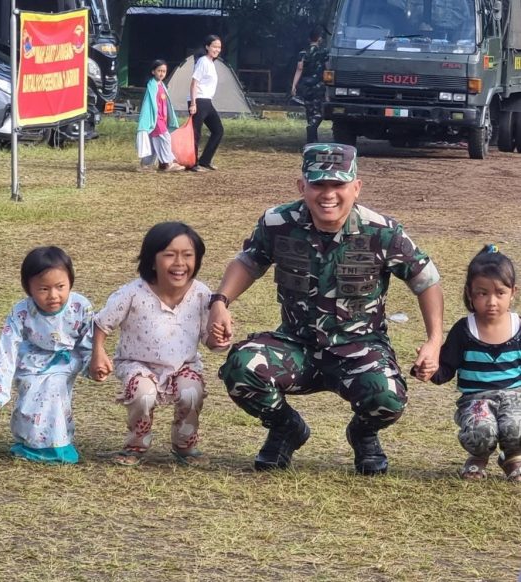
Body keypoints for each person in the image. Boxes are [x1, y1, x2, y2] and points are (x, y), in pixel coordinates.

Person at [208, 143, 444, 475]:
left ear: (356, 187)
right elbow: (249, 261)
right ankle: (285, 429)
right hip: (296, 347)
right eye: (319, 184)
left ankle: (363, 435)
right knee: (241, 367)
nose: (328, 194)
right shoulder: (279, 222)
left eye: (338, 185)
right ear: (302, 186)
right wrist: (220, 302)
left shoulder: (382, 231)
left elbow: (426, 280)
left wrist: (434, 341)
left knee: (388, 397)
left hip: (359, 349)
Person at [90, 222, 216, 466]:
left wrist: (218, 338)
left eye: (188, 255)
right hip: (137, 363)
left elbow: (208, 339)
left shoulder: (201, 294)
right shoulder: (132, 293)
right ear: (151, 260)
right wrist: (98, 352)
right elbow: (102, 323)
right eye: (169, 255)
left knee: (192, 393)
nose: (179, 263)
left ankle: (185, 445)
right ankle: (136, 444)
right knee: (143, 395)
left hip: (183, 365)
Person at [426, 246, 521, 482]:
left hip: (515, 397)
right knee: (482, 429)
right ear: (470, 293)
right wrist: (428, 369)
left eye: (500, 293)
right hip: (476, 399)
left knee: (515, 424)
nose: (491, 301)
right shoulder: (464, 330)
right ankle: (478, 458)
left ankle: (513, 457)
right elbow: (446, 367)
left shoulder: (519, 327)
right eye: (482, 293)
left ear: (513, 292)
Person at [0, 246, 93, 464]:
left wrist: (92, 364)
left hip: (65, 360)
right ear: (29, 288)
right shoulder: (21, 311)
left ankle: (58, 446)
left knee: (54, 390)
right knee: (29, 394)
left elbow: (88, 340)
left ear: (70, 282)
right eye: (43, 289)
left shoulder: (80, 306)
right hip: (31, 361)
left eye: (60, 287)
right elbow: (7, 348)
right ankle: (29, 442)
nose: (53, 295)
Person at [136, 59, 184, 173]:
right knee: (165, 138)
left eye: (164, 71)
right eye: (159, 71)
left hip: (162, 119)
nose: (162, 73)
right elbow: (150, 104)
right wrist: (152, 118)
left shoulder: (161, 85)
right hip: (155, 119)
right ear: (153, 72)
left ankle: (147, 165)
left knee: (154, 142)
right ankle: (168, 163)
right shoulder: (152, 86)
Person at [188, 34, 224, 172]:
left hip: (207, 101)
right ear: (207, 47)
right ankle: (193, 163)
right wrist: (193, 103)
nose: (217, 49)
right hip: (199, 100)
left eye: (219, 47)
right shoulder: (202, 61)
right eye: (214, 46)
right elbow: (194, 83)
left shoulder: (211, 62)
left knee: (218, 130)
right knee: (195, 133)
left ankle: (205, 160)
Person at [291, 27, 328, 144]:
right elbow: (328, 68)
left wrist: (294, 85)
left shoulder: (303, 53)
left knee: (309, 111)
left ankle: (311, 141)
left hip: (305, 86)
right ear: (320, 39)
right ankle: (312, 129)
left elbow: (299, 69)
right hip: (318, 85)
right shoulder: (323, 53)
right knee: (319, 113)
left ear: (309, 39)